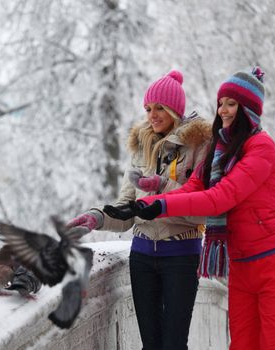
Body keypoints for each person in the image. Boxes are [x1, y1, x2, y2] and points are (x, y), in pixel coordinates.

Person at [103, 67, 275, 350]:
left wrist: (159, 204)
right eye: (220, 103)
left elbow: (218, 198)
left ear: (250, 110)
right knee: (242, 345)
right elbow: (192, 188)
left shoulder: (262, 148)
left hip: (271, 264)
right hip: (241, 264)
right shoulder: (222, 150)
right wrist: (143, 205)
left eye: (231, 103)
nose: (222, 110)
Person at [68, 70, 211, 350]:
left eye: (159, 108)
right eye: (148, 108)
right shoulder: (140, 148)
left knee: (173, 345)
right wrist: (97, 217)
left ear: (175, 109)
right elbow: (128, 209)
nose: (152, 115)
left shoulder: (199, 146)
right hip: (142, 257)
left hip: (181, 256)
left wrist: (162, 187)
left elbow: (203, 209)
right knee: (151, 346)